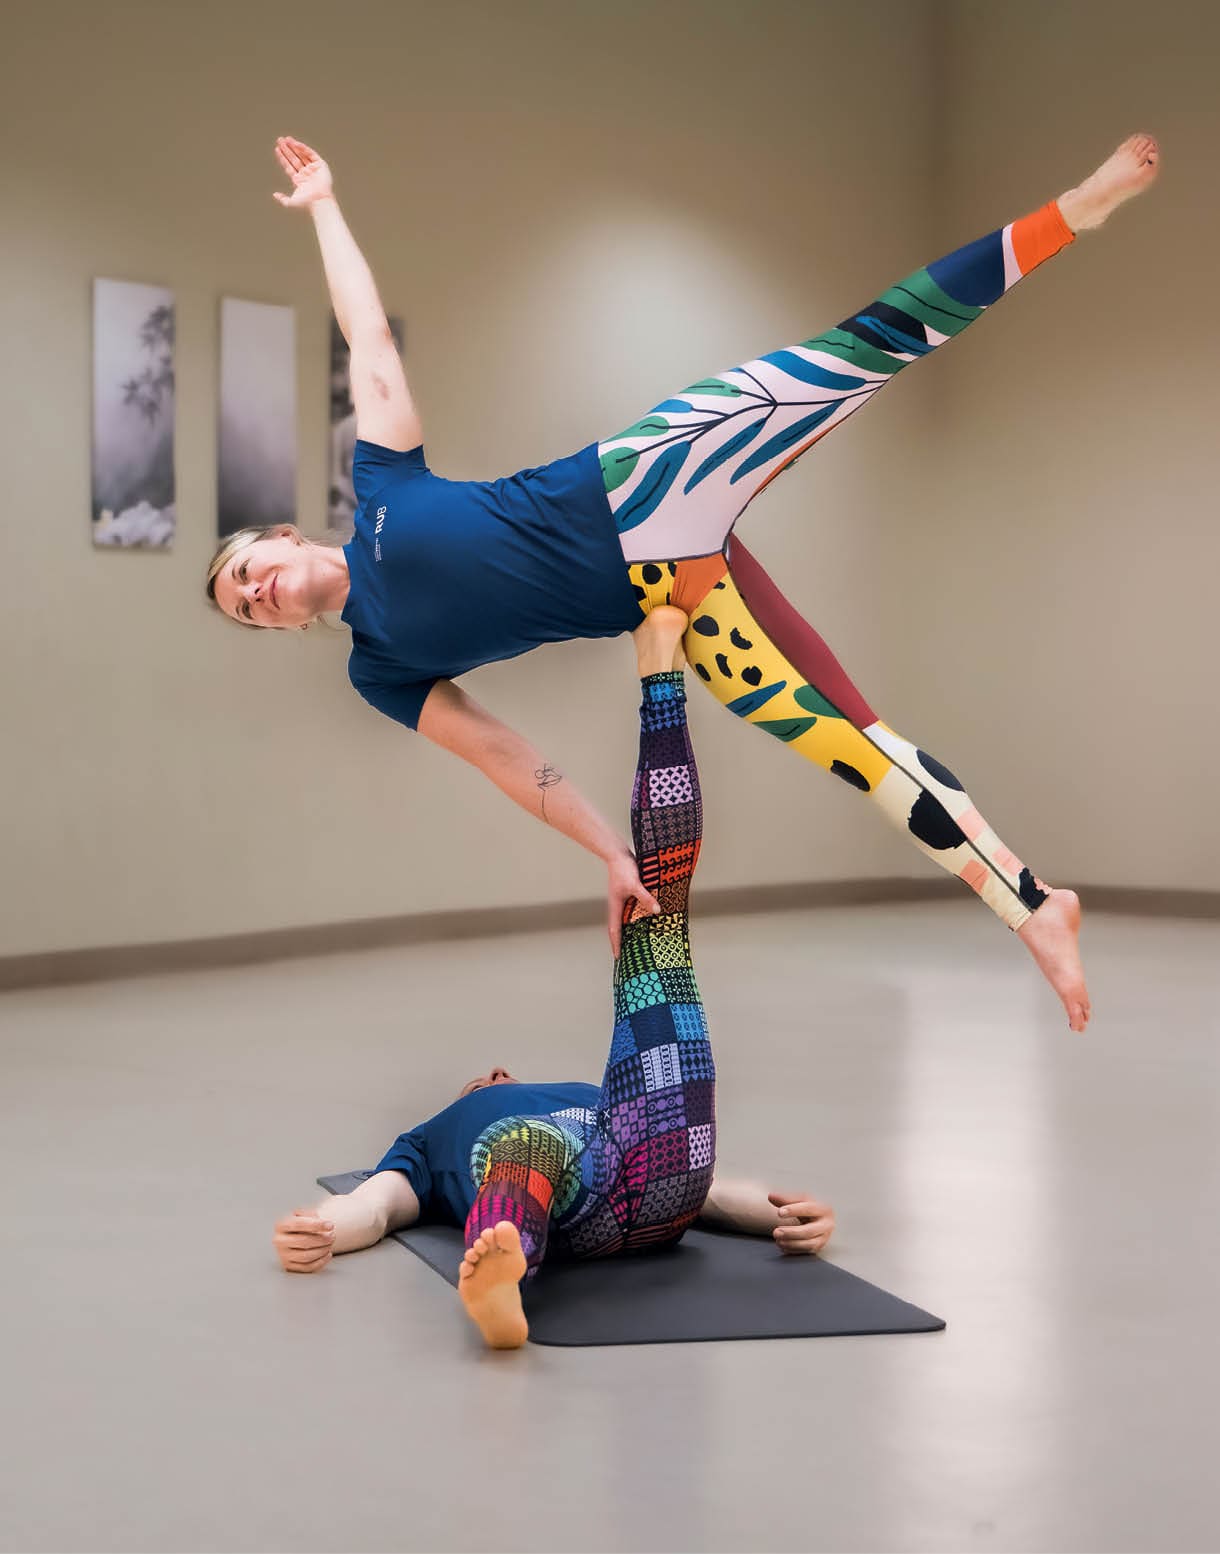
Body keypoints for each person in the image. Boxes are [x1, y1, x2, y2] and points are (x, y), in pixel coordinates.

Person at [210, 132, 1162, 1028]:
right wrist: (610, 851)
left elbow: (366, 337)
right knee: (854, 745)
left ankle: (1073, 212)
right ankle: (1033, 907)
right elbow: (505, 757)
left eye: (249, 571)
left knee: (862, 349)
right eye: (248, 611)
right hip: (673, 592)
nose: (257, 594)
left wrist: (326, 206)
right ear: (281, 630)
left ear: (285, 539)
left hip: (643, 470)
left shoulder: (380, 481)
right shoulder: (379, 668)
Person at [272, 609, 834, 1349]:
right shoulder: (422, 1144)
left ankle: (661, 672)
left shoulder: (588, 1094)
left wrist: (783, 1215)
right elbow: (375, 1208)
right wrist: (321, 1231)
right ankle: (503, 1270)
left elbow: (712, 1199)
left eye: (487, 1077)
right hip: (561, 1198)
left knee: (660, 910)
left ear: (500, 1073)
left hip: (657, 1182)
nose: (481, 1079)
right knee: (527, 1145)